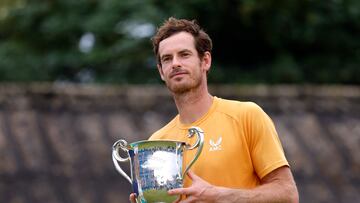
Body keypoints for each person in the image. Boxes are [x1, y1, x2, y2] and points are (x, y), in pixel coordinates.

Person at [130, 17, 299, 203]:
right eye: (167, 59)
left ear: (205, 61)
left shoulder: (247, 116)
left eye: (184, 54)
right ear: (161, 71)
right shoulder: (157, 142)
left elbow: (287, 194)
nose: (175, 63)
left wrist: (219, 196)